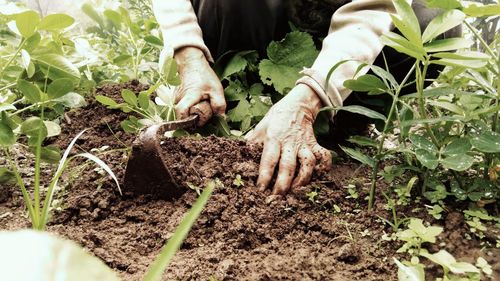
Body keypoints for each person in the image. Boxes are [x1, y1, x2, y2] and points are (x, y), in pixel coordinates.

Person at [151, 0, 460, 196]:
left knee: (435, 20)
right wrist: (188, 52)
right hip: (260, 18)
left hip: (335, 14)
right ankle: (234, 92)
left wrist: (311, 96)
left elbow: (375, 7)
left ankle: (342, 119)